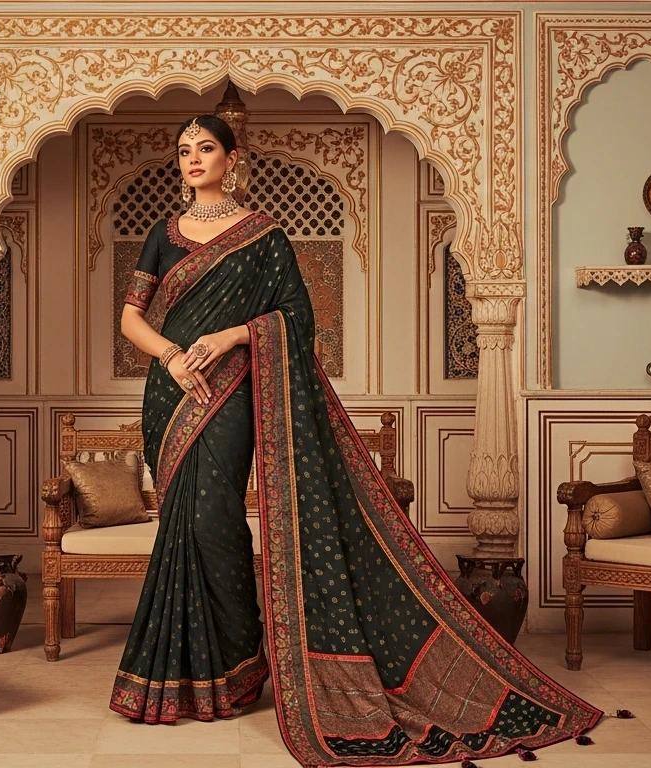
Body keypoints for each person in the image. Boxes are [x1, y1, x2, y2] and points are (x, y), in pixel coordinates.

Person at [113, 113, 600, 766]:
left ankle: (237, 666)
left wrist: (231, 337)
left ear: (233, 158)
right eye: (183, 151)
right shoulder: (161, 236)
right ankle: (181, 678)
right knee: (182, 522)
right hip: (172, 393)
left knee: (217, 521)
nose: (192, 159)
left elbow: (296, 317)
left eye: (205, 148)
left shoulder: (263, 237)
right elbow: (130, 318)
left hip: (231, 391)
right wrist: (172, 358)